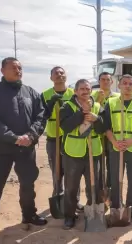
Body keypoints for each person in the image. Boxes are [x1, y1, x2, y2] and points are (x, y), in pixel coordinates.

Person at [0, 57, 47, 244]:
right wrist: (14, 137)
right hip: (1, 149)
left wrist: (30, 136)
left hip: (26, 148)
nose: (18, 70)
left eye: (20, 67)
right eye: (13, 67)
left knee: (28, 184)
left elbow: (40, 116)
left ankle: (29, 214)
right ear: (2, 70)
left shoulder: (30, 92)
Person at [59, 79, 105, 229]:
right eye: (82, 89)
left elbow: (104, 127)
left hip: (94, 152)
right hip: (73, 153)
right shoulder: (67, 106)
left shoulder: (97, 106)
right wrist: (81, 113)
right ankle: (69, 216)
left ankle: (92, 212)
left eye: (88, 89)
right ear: (76, 91)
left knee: (94, 185)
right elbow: (65, 126)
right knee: (71, 187)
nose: (85, 92)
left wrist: (96, 118)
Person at [102, 74, 132, 222]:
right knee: (115, 179)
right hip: (116, 148)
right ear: (119, 86)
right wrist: (114, 142)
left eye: (130, 84)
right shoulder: (112, 102)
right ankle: (116, 207)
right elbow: (106, 126)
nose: (127, 86)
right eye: (124, 83)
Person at [40, 67, 83, 213]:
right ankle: (58, 196)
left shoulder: (73, 93)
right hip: (54, 138)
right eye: (56, 73)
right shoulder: (45, 95)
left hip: (70, 139)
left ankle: (74, 201)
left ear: (66, 76)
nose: (59, 75)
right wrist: (50, 103)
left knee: (72, 171)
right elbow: (42, 115)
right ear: (51, 77)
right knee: (56, 171)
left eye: (62, 73)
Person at [92, 72, 120, 197]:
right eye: (102, 80)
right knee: (97, 165)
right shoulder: (93, 95)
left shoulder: (117, 97)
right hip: (97, 135)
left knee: (111, 164)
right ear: (99, 81)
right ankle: (98, 191)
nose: (105, 82)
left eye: (108, 80)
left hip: (111, 134)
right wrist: (98, 100)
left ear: (112, 82)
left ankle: (109, 189)